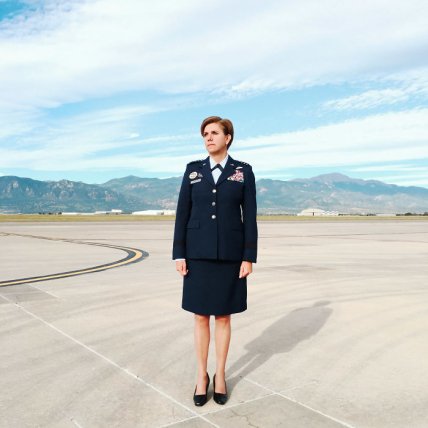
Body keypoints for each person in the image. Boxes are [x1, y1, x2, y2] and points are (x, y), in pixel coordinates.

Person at [172, 116, 258, 406]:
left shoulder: (242, 171)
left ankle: (220, 374)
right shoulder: (193, 170)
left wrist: (248, 256)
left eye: (214, 133)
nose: (208, 138)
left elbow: (250, 217)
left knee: (223, 316)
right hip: (197, 254)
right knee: (200, 316)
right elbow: (182, 213)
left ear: (227, 137)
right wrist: (179, 252)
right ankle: (202, 375)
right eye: (205, 134)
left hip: (230, 255)